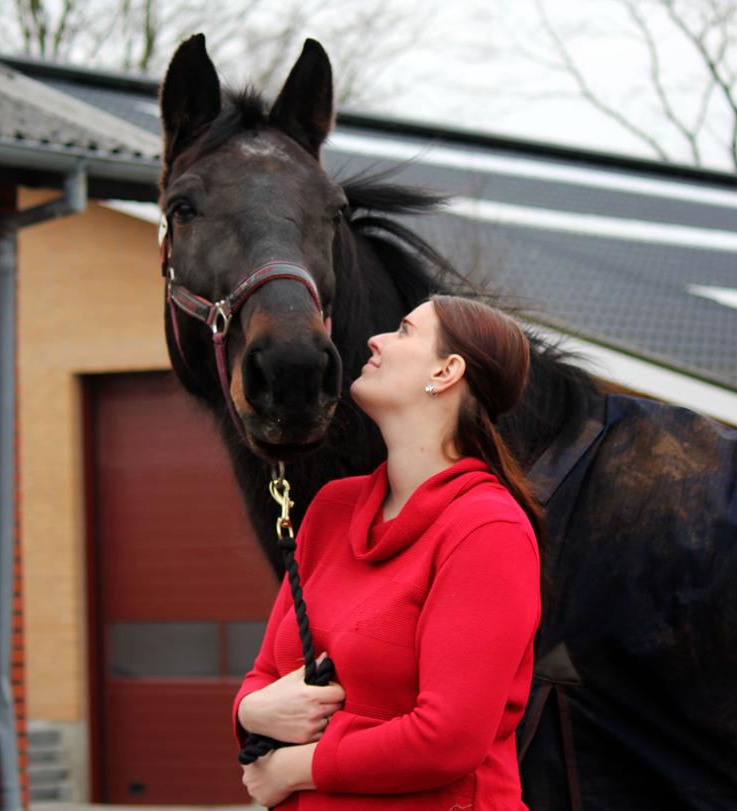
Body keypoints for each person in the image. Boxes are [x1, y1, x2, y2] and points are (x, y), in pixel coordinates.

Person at [233, 294, 543, 809]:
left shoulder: (488, 529)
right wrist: (249, 714)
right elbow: (263, 675)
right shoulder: (332, 510)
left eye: (403, 330)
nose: (374, 339)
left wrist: (293, 767)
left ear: (447, 371)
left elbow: (447, 739)